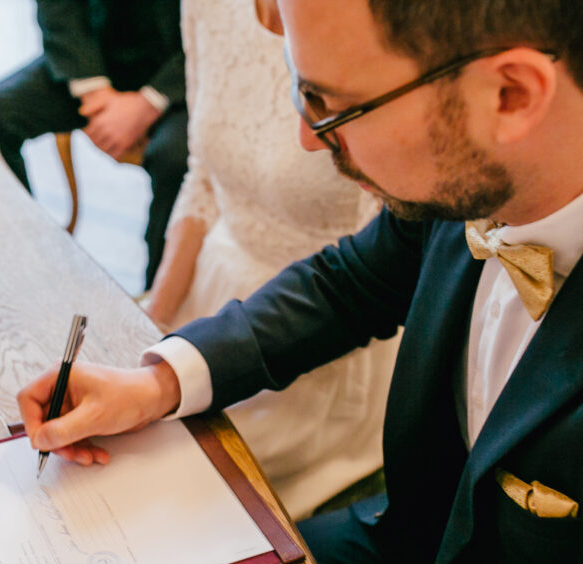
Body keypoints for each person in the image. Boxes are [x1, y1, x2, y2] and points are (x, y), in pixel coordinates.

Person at [16, 0, 583, 564]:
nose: (303, 138)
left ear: (510, 95)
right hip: (407, 554)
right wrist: (158, 380)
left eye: (328, 106)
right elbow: (358, 279)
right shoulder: (514, 144)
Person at [144, 0, 398, 517]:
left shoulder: (374, 21)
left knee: (176, 504)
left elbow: (369, 275)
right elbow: (203, 175)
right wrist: (154, 318)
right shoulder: (206, 7)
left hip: (320, 344)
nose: (311, 133)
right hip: (212, 299)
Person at [0, 0, 188, 290]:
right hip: (96, 55)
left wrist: (148, 103)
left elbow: (226, 29)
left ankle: (161, 302)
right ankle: (27, 271)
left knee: (176, 159)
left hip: (187, 73)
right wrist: (94, 92)